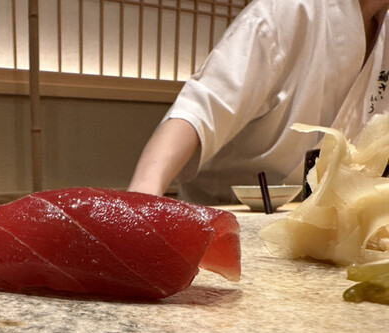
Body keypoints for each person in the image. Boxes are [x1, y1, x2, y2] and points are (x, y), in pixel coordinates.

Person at [129, 0, 389, 205]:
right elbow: (204, 105)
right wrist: (144, 191)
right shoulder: (289, 9)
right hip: (224, 209)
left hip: (304, 215)